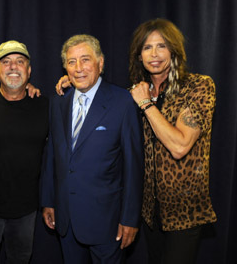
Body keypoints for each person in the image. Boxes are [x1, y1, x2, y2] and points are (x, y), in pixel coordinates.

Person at [40, 34, 144, 264]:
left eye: (85, 59)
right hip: (65, 218)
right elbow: (52, 155)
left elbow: (133, 166)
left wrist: (130, 218)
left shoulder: (122, 102)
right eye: (71, 61)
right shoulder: (58, 101)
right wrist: (48, 200)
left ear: (101, 63)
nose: (78, 68)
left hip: (107, 221)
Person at [128, 18, 217, 264]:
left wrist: (146, 104)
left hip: (185, 211)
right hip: (150, 213)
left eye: (162, 46)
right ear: (139, 56)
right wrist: (76, 86)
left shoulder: (198, 86)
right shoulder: (136, 92)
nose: (154, 54)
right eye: (147, 47)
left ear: (174, 51)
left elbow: (179, 146)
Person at [0, 40, 48, 264]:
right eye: (6, 62)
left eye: (20, 62)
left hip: (26, 210)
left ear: (29, 70)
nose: (13, 67)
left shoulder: (45, 106)